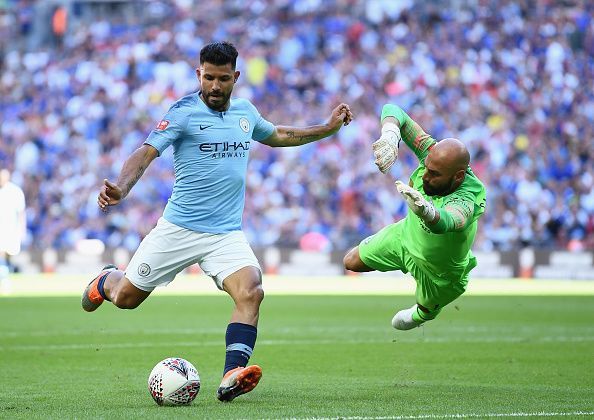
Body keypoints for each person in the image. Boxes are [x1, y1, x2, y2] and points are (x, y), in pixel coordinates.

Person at [82, 42, 353, 402]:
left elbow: (278, 135)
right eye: (208, 77)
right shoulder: (182, 112)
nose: (214, 86)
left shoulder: (245, 112)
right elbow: (145, 153)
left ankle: (231, 375)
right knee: (127, 299)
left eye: (222, 79)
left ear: (235, 77)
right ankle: (107, 279)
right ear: (199, 74)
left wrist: (326, 129)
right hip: (178, 228)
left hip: (225, 233)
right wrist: (122, 187)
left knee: (252, 291)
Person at [343, 104, 485, 330]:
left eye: (435, 175)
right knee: (351, 262)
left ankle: (423, 313)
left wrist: (427, 211)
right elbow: (392, 109)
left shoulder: (469, 195)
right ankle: (405, 267)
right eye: (427, 168)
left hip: (440, 272)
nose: (426, 177)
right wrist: (391, 135)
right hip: (405, 236)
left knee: (424, 310)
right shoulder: (431, 152)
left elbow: (449, 221)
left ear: (458, 177)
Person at [0, 168, 26, 295]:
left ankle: (6, 274)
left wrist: (22, 229)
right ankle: (4, 279)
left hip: (11, 228)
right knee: (2, 253)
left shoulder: (15, 191)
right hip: (2, 229)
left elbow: (21, 212)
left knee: (9, 254)